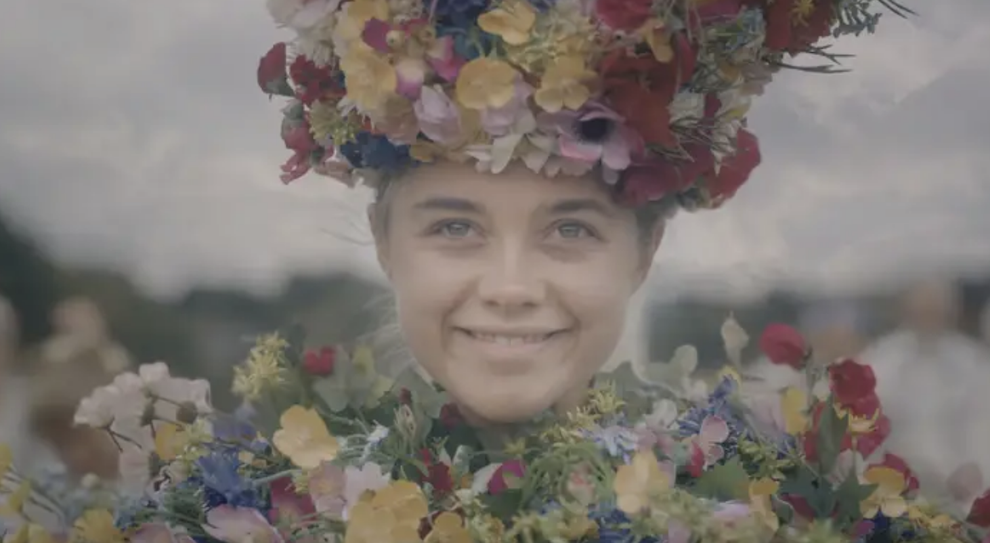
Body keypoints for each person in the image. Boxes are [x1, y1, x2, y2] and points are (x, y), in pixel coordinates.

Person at [860, 278, 990, 511]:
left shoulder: (973, 361)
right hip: (897, 493)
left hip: (961, 492)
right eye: (923, 307)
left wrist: (975, 469)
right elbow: (868, 431)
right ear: (907, 308)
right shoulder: (881, 361)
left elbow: (982, 428)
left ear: (952, 310)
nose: (929, 314)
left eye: (936, 308)